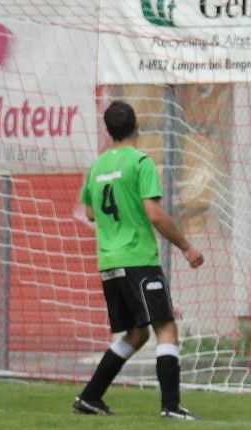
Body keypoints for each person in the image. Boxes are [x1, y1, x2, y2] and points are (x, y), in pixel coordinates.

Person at [72, 101, 204, 420]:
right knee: (166, 328)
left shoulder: (98, 167)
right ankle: (171, 407)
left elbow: (90, 211)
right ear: (137, 125)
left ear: (109, 131)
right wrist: (187, 247)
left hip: (109, 262)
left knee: (136, 334)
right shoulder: (140, 162)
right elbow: (154, 214)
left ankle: (90, 397)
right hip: (138, 259)